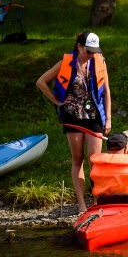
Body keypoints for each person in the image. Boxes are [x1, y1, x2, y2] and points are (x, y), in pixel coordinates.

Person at [36, 31, 112, 214]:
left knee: (96, 161)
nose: (92, 54)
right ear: (79, 46)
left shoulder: (99, 61)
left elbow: (107, 91)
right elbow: (41, 82)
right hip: (72, 115)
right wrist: (56, 101)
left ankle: (97, 200)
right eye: (88, 50)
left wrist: (108, 118)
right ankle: (81, 204)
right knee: (77, 159)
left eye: (94, 50)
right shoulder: (66, 63)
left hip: (94, 115)